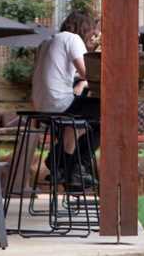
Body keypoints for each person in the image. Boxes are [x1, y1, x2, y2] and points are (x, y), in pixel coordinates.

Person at [31, 11, 100, 186]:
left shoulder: (47, 42)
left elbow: (76, 76)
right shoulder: (72, 39)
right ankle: (74, 167)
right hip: (59, 104)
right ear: (84, 28)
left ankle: (62, 166)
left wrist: (81, 84)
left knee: (78, 122)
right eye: (91, 30)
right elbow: (89, 74)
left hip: (41, 107)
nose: (92, 34)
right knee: (106, 112)